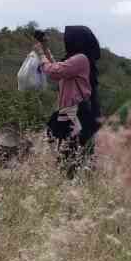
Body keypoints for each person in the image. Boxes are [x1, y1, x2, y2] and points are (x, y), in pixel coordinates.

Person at [33, 26, 102, 177]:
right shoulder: (79, 59)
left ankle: (75, 184)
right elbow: (57, 68)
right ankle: (77, 183)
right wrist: (45, 48)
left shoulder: (80, 59)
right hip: (73, 113)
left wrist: (40, 54)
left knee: (73, 155)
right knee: (71, 155)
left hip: (76, 115)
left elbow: (54, 71)